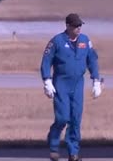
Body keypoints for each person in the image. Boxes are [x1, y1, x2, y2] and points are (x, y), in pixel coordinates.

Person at [40, 13, 102, 161]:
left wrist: (96, 80)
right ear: (67, 26)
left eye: (80, 25)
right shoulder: (57, 41)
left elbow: (92, 59)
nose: (78, 28)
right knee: (62, 117)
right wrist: (47, 80)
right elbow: (46, 61)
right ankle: (54, 144)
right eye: (75, 26)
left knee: (75, 119)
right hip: (61, 83)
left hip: (78, 84)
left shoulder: (85, 41)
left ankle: (73, 151)